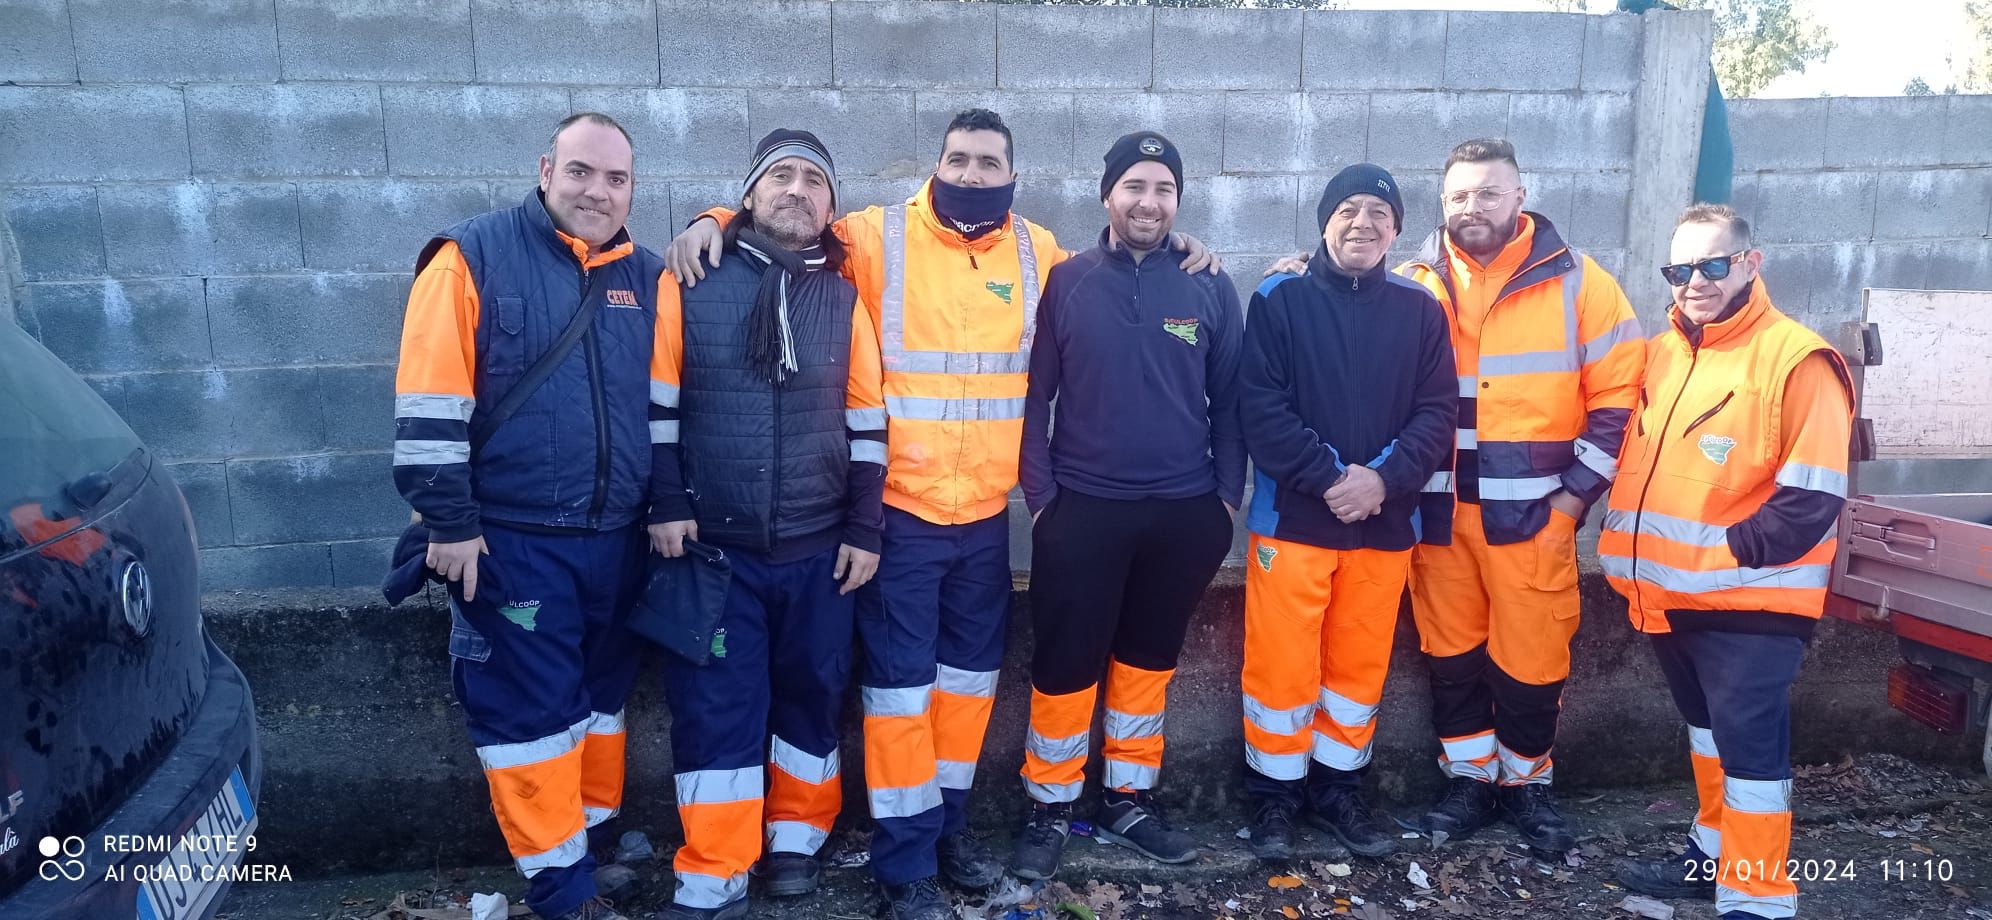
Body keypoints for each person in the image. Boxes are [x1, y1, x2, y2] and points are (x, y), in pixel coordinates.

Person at [665, 109, 1218, 920]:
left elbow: (1128, 255)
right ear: (938, 163)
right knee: (898, 699)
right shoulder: (876, 234)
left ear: (1012, 173)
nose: (972, 173)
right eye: (958, 158)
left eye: (989, 162)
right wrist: (710, 221)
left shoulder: (1041, 254)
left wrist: (1183, 247)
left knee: (964, 692)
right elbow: (789, 215)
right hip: (900, 516)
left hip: (985, 521)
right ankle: (903, 865)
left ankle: (947, 829)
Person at [392, 112, 658, 920]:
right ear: (545, 170)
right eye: (581, 171)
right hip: (511, 543)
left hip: (618, 542)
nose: (597, 191)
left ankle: (592, 845)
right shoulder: (468, 257)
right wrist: (448, 521)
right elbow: (430, 401)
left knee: (598, 703)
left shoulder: (644, 276)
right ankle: (561, 890)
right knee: (531, 719)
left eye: (616, 179)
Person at [646, 129, 887, 919]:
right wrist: (669, 502)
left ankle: (795, 842)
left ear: (831, 206)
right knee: (717, 708)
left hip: (820, 551)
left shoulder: (845, 294)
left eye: (815, 181)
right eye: (780, 176)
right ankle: (713, 869)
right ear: (747, 196)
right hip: (716, 552)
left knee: (812, 698)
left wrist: (864, 526)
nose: (798, 190)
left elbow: (867, 419)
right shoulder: (690, 277)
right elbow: (659, 406)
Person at [1603, 204, 1853, 920]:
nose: (1694, 283)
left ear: (1751, 263)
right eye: (1680, 270)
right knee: (1709, 739)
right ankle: (1711, 858)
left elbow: (1810, 501)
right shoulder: (1664, 352)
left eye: (1713, 265)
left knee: (1749, 758)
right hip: (1669, 597)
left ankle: (1758, 897)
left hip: (1749, 605)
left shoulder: (1796, 359)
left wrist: (1720, 558)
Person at [1397, 138, 1645, 854]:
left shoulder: (1581, 282)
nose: (1472, 208)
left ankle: (1527, 786)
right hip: (1438, 514)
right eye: (1458, 197)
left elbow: (1619, 401)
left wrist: (1571, 505)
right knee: (1451, 655)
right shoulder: (1413, 279)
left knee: (1534, 659)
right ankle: (1469, 782)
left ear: (1520, 194)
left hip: (1536, 514)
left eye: (1488, 193)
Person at [1009, 132, 1244, 879]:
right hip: (1083, 510)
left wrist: (1224, 504)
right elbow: (1034, 396)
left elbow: (1233, 399)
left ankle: (1127, 798)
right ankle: (1050, 803)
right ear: (1107, 194)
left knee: (1148, 661)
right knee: (1065, 662)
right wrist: (1043, 500)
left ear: (1179, 200)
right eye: (1135, 186)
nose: (1149, 202)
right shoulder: (1068, 280)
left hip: (1184, 516)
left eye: (1164, 189)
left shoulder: (1209, 284)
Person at [1238, 164, 1458, 862]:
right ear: (1325, 220)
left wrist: (1384, 481)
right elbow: (1262, 409)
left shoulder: (1420, 310)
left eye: (1379, 213)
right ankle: (1273, 799)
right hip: (1294, 523)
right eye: (1349, 210)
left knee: (1358, 668)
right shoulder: (1277, 299)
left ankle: (1339, 790)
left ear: (1396, 229)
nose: (1363, 223)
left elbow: (1437, 413)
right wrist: (1334, 478)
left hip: (1385, 524)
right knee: (1280, 667)